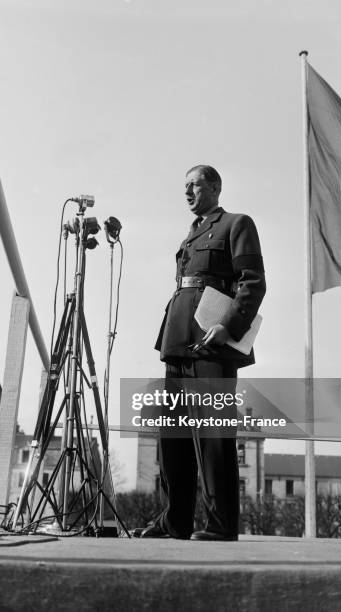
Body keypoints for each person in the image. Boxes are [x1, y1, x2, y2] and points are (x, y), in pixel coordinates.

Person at [140, 164, 266, 541]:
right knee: (173, 437)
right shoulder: (191, 235)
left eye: (194, 185)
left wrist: (229, 325)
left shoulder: (237, 224)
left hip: (214, 342)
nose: (187, 193)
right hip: (178, 339)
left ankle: (221, 524)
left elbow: (253, 282)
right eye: (185, 187)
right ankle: (173, 521)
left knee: (214, 436)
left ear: (214, 186)